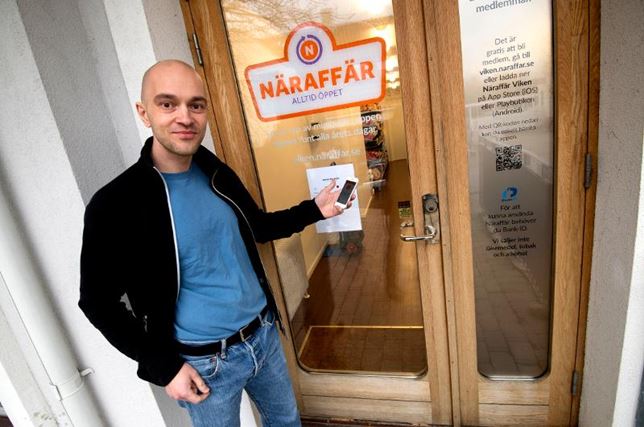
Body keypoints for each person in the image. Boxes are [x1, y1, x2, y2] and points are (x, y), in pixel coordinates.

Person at [79, 59, 350, 427]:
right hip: (204, 364)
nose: (185, 117)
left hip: (263, 335)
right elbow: (97, 302)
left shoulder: (214, 171)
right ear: (144, 113)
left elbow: (258, 226)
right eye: (167, 104)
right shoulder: (117, 203)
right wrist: (164, 366)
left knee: (287, 421)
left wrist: (314, 210)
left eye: (196, 105)